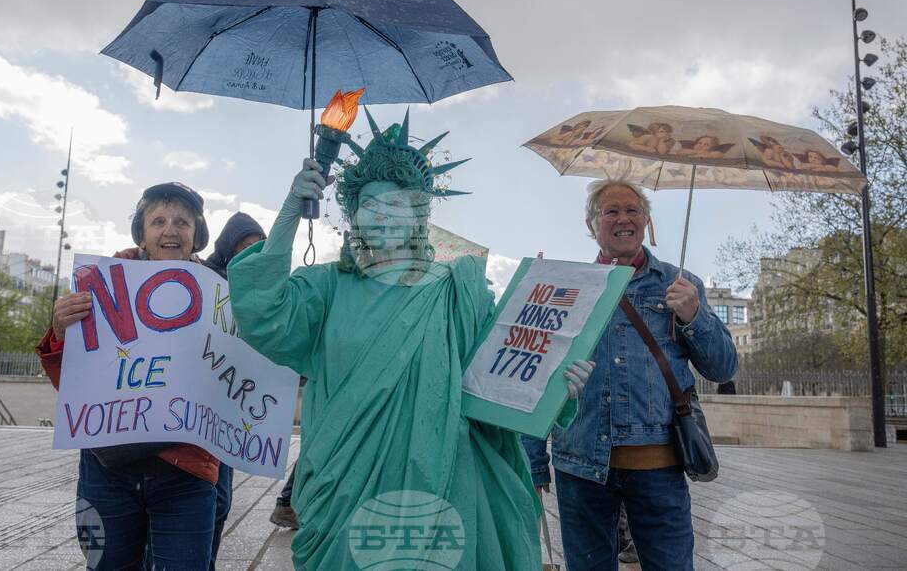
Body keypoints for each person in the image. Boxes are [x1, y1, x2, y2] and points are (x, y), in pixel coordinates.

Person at [226, 111, 545, 569]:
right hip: (342, 481)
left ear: (419, 216)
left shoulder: (457, 289)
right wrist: (291, 209)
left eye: (396, 203)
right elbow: (263, 312)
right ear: (353, 215)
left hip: (440, 478)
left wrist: (559, 381)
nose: (381, 215)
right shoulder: (327, 285)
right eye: (369, 204)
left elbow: (496, 376)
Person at [522, 178, 738, 570]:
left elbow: (723, 368)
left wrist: (694, 316)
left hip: (659, 468)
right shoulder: (568, 287)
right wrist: (534, 463)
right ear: (591, 225)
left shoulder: (681, 285)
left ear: (645, 221)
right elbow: (535, 377)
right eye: (611, 211)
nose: (624, 219)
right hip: (580, 466)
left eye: (633, 210)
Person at [37, 182, 221, 570]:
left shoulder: (221, 298)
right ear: (141, 234)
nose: (170, 230)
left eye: (182, 222)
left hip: (186, 470)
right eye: (158, 221)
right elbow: (71, 382)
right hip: (107, 470)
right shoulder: (100, 289)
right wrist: (61, 330)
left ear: (196, 235)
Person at [202, 211, 267, 564]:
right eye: (244, 246)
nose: (251, 253)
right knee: (207, 496)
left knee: (221, 499)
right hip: (198, 407)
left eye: (258, 246)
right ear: (228, 248)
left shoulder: (262, 290)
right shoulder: (204, 280)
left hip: (228, 409)